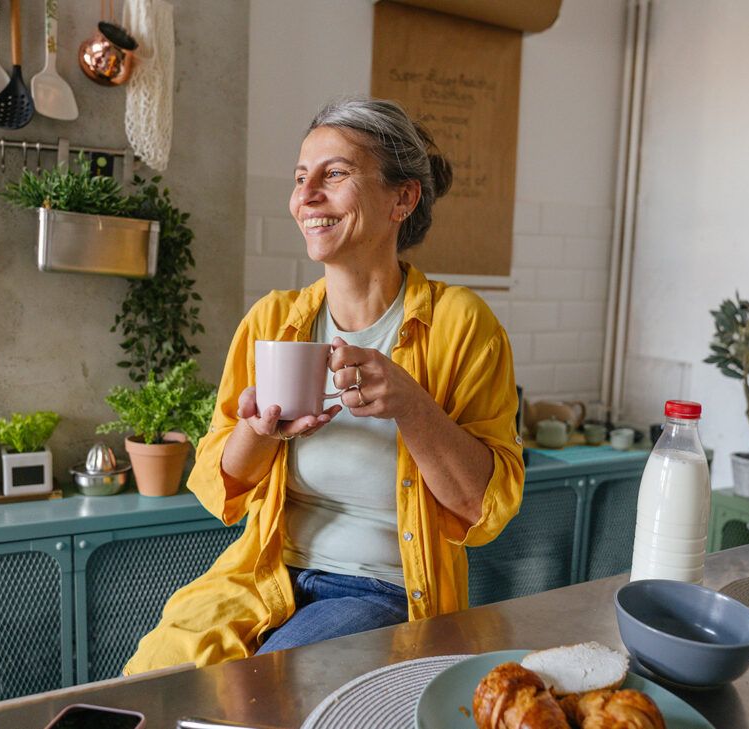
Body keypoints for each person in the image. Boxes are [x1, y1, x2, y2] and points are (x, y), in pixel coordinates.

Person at [124, 98, 523, 673]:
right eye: (299, 178)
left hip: (381, 590)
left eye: (333, 174)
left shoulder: (461, 323)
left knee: (268, 694)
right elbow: (220, 485)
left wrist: (412, 406)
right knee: (151, 678)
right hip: (264, 575)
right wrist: (260, 432)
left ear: (402, 199)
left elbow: (484, 508)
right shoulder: (274, 320)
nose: (305, 195)